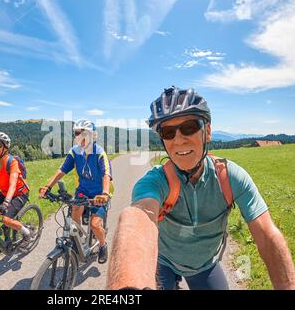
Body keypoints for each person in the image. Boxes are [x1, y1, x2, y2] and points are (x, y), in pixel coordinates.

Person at [107, 87, 295, 290]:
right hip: (163, 261)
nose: (178, 139)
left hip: (203, 265)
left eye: (189, 127)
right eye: (168, 132)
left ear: (207, 132)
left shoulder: (230, 178)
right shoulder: (155, 181)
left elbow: (267, 235)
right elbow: (138, 220)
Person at [39, 119, 112, 264]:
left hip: (99, 194)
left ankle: (103, 246)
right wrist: (48, 187)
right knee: (74, 215)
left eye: (84, 133)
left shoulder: (99, 153)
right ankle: (79, 240)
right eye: (77, 133)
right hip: (82, 191)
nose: (80, 136)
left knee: (95, 224)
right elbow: (62, 170)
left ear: (93, 136)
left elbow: (106, 175)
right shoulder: (75, 152)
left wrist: (104, 193)